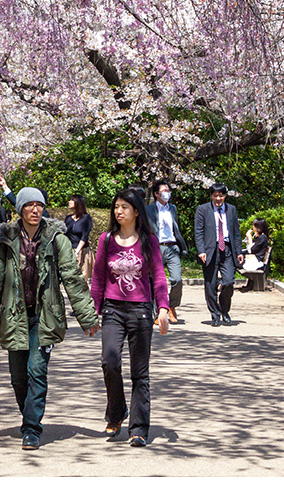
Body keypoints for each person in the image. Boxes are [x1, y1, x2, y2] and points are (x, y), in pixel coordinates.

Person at [0, 188, 99, 451]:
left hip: (44, 317)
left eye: (40, 205)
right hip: (14, 316)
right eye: (30, 205)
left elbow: (72, 278)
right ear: (20, 208)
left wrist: (88, 317)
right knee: (18, 378)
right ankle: (28, 417)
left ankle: (31, 429)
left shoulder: (56, 238)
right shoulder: (5, 239)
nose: (36, 210)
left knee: (37, 370)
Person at [91, 187, 169, 448]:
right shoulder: (106, 240)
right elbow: (98, 278)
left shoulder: (149, 240)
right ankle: (116, 412)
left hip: (140, 311)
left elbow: (158, 276)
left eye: (124, 207)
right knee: (109, 361)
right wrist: (93, 311)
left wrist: (164, 309)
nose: (118, 211)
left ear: (136, 211)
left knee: (140, 373)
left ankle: (138, 428)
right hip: (113, 309)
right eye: (116, 207)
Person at [194, 183, 244, 326]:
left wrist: (239, 251)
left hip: (227, 249)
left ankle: (224, 310)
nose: (218, 198)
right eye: (215, 195)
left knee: (228, 282)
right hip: (210, 250)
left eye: (221, 195)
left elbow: (236, 233)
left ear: (225, 196)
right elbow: (198, 232)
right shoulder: (202, 209)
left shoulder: (231, 210)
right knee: (210, 284)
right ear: (211, 196)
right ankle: (215, 315)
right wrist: (201, 250)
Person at [146, 179, 188, 322]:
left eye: (168, 191)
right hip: (156, 247)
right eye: (164, 191)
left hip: (172, 246)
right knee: (157, 281)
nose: (167, 193)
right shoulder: (149, 209)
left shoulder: (173, 208)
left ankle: (172, 306)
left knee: (177, 279)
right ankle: (158, 312)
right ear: (157, 194)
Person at [64, 195, 94, 281]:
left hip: (82, 251)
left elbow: (84, 236)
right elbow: (66, 235)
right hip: (70, 250)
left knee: (81, 279)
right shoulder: (68, 218)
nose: (69, 202)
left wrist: (77, 251)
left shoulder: (86, 218)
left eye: (71, 200)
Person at [240, 218, 270, 288]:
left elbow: (252, 250)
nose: (253, 228)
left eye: (254, 226)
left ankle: (225, 283)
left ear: (258, 227)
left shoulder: (262, 238)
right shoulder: (260, 237)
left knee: (234, 261)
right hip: (253, 260)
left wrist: (249, 237)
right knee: (235, 259)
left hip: (256, 262)